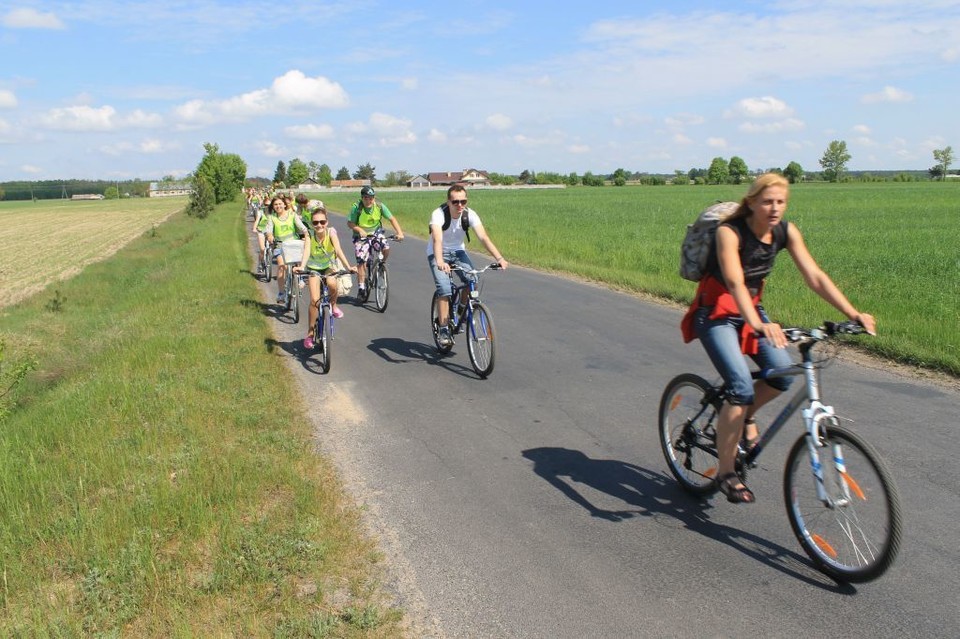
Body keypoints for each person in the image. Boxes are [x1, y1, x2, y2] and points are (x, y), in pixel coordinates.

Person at [680, 172, 875, 504]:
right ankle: (727, 472)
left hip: (751, 312)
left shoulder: (785, 231)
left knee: (781, 376)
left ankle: (745, 417)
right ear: (752, 201)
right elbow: (735, 281)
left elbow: (814, 276)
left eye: (781, 202)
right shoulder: (730, 232)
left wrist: (853, 313)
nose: (774, 208)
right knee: (740, 387)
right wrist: (758, 323)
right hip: (715, 314)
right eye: (767, 201)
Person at [427, 185, 509, 347]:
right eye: (455, 202)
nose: (459, 205)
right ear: (448, 202)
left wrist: (499, 258)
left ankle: (462, 309)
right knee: (444, 288)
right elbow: (437, 239)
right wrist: (440, 262)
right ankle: (443, 328)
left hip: (458, 252)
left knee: (473, 278)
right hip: (438, 253)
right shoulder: (438, 214)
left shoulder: (469, 215)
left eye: (463, 201)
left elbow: (483, 237)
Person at [293, 205, 357, 349]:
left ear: (327, 222)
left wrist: (348, 267)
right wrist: (302, 267)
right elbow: (307, 251)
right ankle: (310, 334)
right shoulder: (310, 234)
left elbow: (338, 250)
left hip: (329, 265)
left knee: (332, 283)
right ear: (311, 224)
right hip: (314, 268)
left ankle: (334, 306)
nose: (319, 225)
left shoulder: (331, 233)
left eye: (322, 222)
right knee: (315, 300)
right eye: (315, 222)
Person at [347, 186, 404, 297]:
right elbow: (350, 223)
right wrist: (359, 230)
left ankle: (381, 266)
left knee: (386, 247)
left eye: (371, 198)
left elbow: (392, 219)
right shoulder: (356, 208)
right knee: (361, 259)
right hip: (361, 235)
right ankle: (361, 286)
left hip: (376, 233)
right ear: (362, 198)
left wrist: (400, 233)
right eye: (365, 198)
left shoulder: (379, 206)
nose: (368, 201)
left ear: (374, 198)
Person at [264, 196, 309, 304]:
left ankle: (300, 278)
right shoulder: (272, 217)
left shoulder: (292, 215)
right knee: (281, 266)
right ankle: (281, 292)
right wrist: (269, 236)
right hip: (280, 245)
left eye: (280, 204)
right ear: (273, 207)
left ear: (285, 205)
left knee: (299, 262)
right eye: (275, 204)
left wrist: (306, 234)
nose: (278, 206)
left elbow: (302, 227)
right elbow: (269, 230)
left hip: (293, 244)